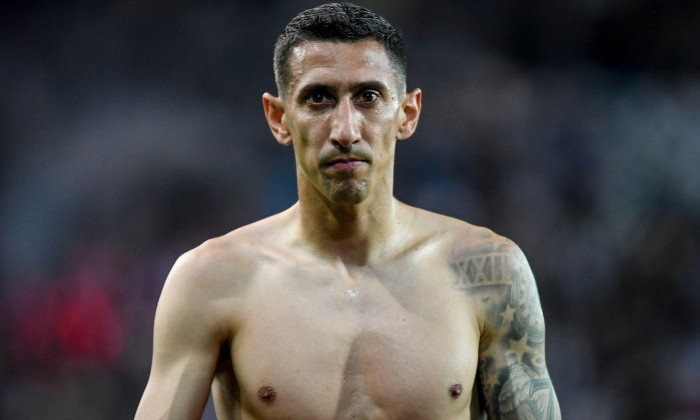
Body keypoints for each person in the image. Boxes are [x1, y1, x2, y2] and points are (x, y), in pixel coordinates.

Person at [135, 3, 561, 419]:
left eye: (368, 97)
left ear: (407, 113)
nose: (345, 130)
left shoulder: (488, 271)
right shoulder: (212, 279)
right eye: (319, 98)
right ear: (279, 117)